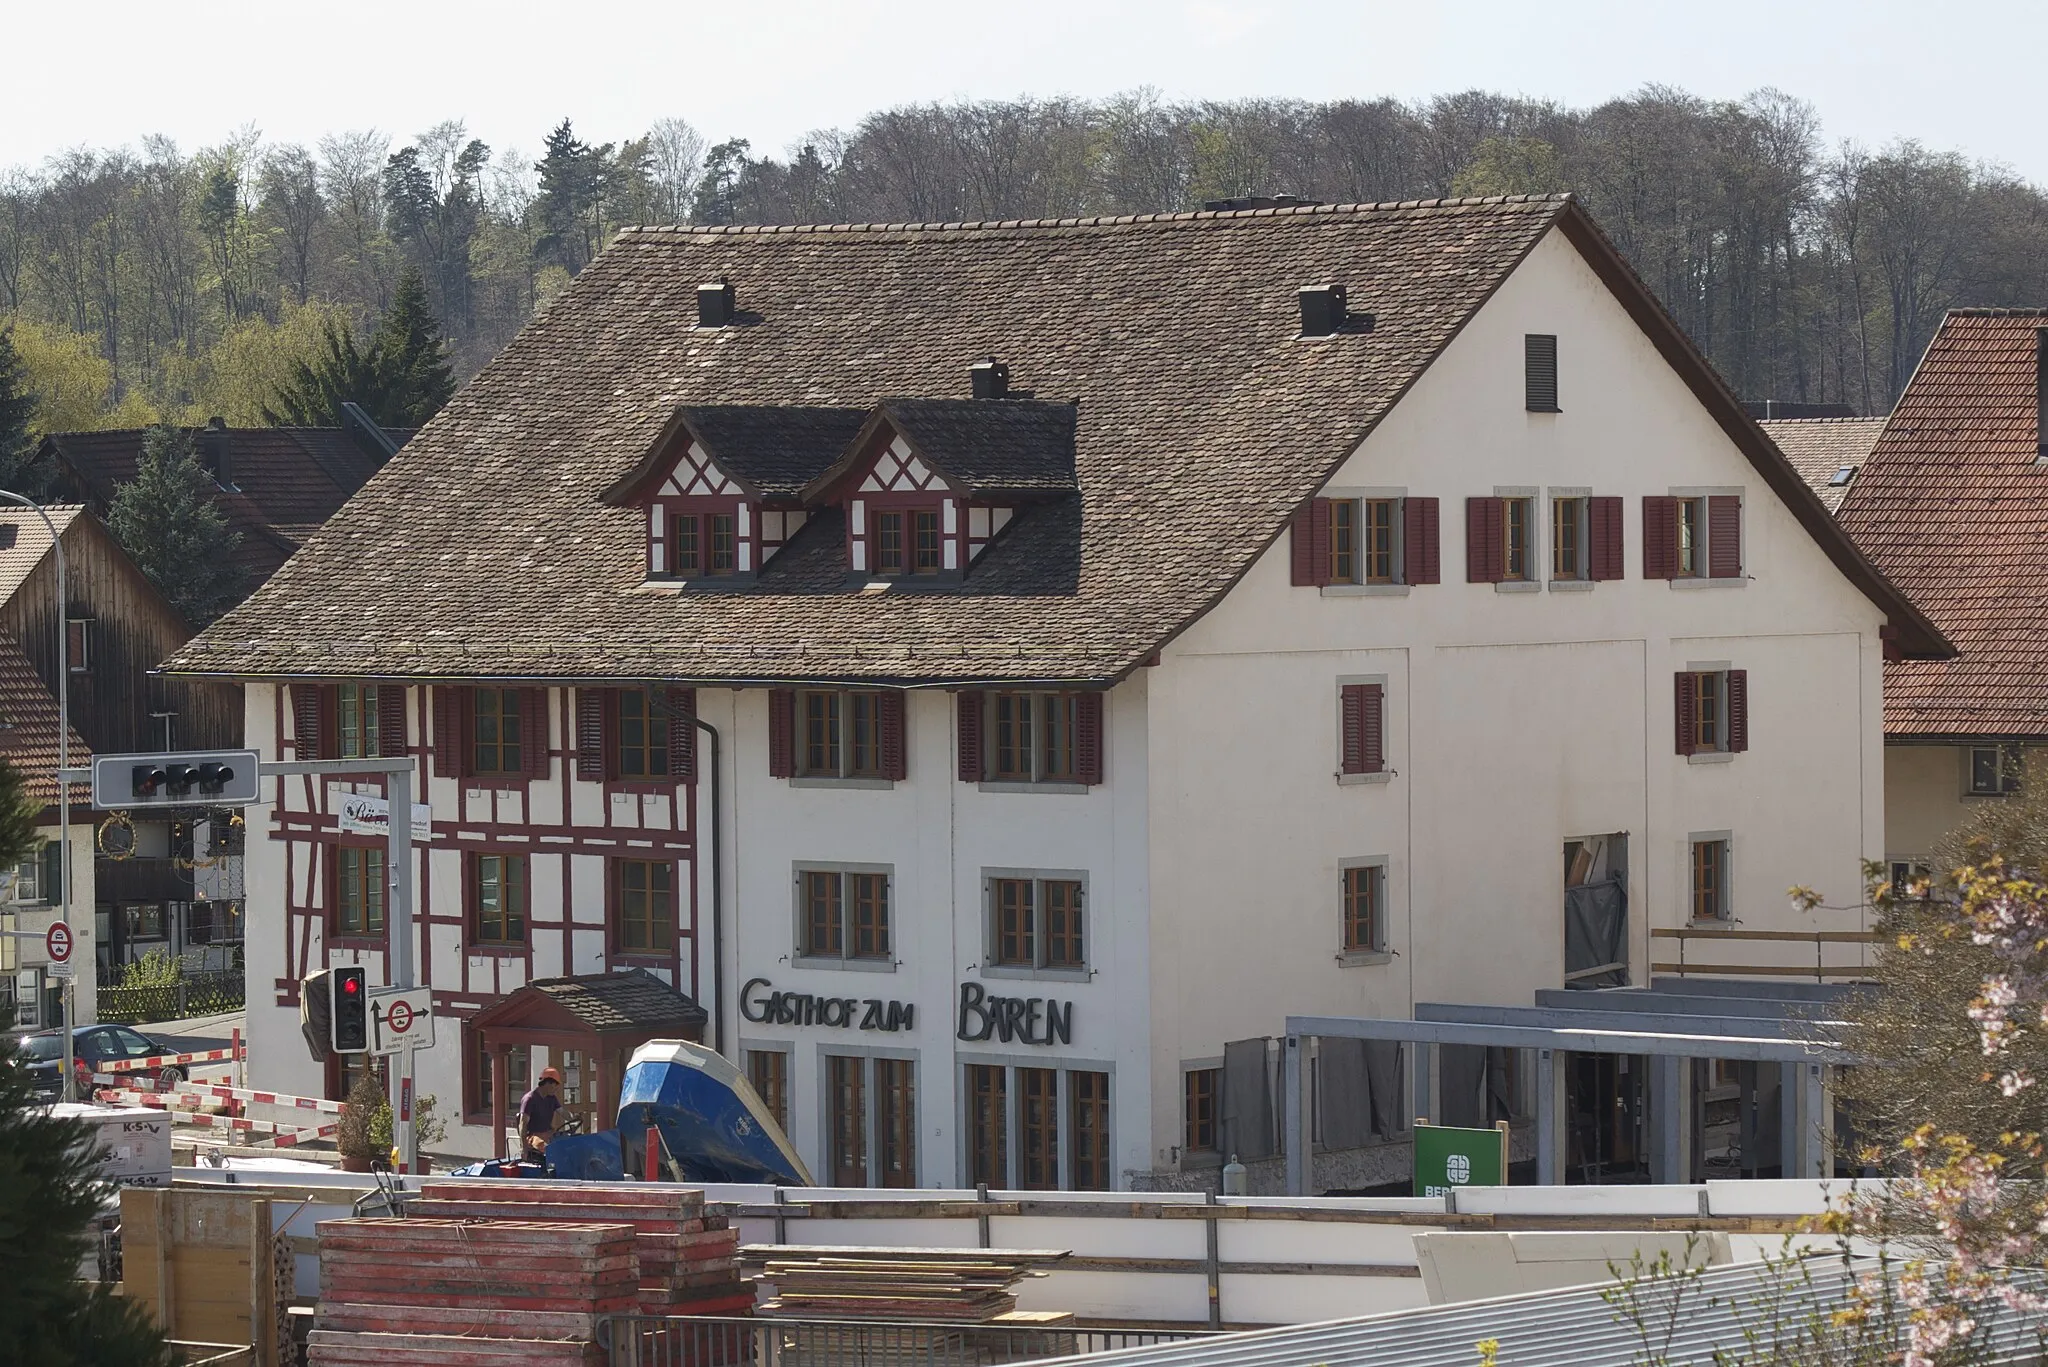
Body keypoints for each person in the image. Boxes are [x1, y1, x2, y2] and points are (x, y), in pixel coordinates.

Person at [518, 1067, 563, 1167]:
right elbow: (523, 1124)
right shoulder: (529, 1099)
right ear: (548, 1083)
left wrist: (574, 1117)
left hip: (548, 1134)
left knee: (565, 1143)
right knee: (549, 1149)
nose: (556, 1089)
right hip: (533, 1137)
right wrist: (524, 1148)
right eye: (555, 1086)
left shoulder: (551, 1098)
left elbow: (563, 1112)